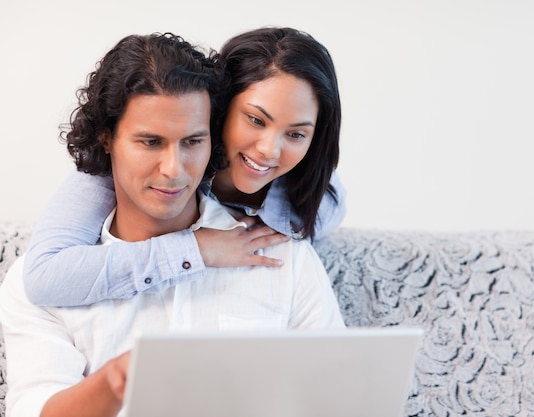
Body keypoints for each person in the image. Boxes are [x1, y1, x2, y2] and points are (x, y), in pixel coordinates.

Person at [0, 31, 345, 417]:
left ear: (211, 135)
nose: (174, 170)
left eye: (192, 141)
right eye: (150, 142)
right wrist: (113, 381)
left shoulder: (284, 249)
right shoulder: (42, 277)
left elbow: (338, 397)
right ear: (107, 138)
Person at [23, 27, 346, 307]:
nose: (268, 150)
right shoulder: (115, 169)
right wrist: (195, 248)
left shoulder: (314, 196)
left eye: (296, 133)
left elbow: (324, 212)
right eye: (255, 120)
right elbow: (44, 277)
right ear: (217, 108)